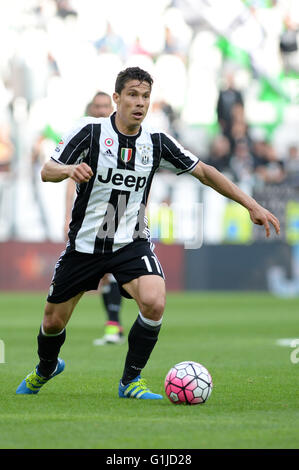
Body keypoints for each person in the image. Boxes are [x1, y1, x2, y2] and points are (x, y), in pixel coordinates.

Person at [16, 66, 280, 400]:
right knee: (53, 322)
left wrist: (251, 205)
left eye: (145, 96)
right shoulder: (90, 131)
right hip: (85, 244)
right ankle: (46, 367)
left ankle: (131, 381)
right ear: (117, 98)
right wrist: (70, 169)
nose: (139, 103)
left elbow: (205, 172)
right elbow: (47, 171)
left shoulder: (156, 141)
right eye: (132, 95)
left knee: (154, 302)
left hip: (131, 241)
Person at [64, 91, 124, 345]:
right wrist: (67, 216)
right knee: (104, 274)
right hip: (89, 215)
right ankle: (114, 326)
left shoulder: (121, 135)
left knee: (111, 272)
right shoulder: (85, 136)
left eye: (105, 106)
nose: (101, 111)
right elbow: (70, 179)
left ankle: (115, 327)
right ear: (91, 109)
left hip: (117, 211)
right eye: (97, 107)